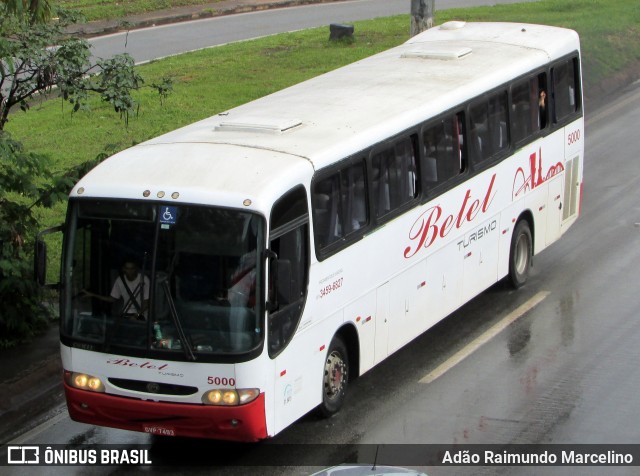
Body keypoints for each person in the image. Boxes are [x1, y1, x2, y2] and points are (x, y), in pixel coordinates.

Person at [83, 259, 150, 320]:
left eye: (132, 268)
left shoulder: (144, 279)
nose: (130, 271)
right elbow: (112, 299)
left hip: (142, 316)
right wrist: (93, 295)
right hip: (126, 314)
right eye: (127, 268)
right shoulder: (120, 280)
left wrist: (136, 315)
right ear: (123, 269)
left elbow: (146, 303)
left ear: (136, 269)